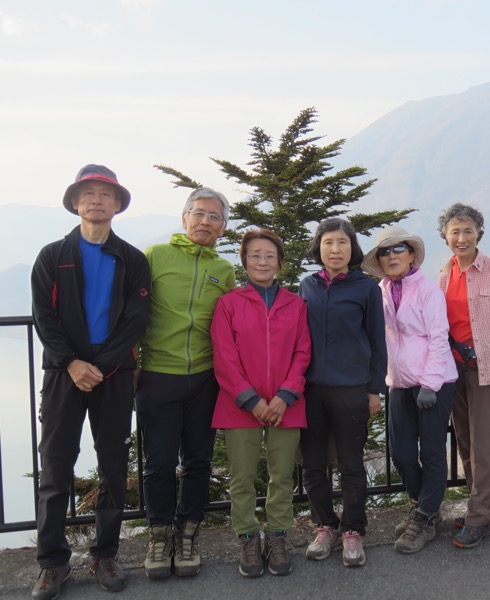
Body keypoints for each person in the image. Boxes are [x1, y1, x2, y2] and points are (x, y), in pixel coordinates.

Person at [30, 164, 150, 599]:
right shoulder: (52, 255)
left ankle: (104, 552)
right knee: (56, 466)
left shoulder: (132, 259)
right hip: (65, 375)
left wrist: (99, 364)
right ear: (76, 202)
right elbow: (44, 316)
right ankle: (52, 562)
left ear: (117, 205)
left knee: (114, 465)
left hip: (114, 375)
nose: (96, 200)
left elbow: (136, 319)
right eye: (88, 193)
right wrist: (72, 363)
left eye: (105, 193)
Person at [137, 188, 236, 579]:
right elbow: (133, 311)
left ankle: (188, 534)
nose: (205, 222)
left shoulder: (224, 270)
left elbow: (230, 327)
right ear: (183, 218)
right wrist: (131, 361)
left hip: (206, 379)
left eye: (215, 217)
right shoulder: (155, 257)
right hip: (158, 375)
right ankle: (160, 536)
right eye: (199, 213)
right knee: (158, 463)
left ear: (223, 228)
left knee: (198, 461)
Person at [210, 229, 311, 575]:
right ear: (244, 262)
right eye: (255, 255)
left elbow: (303, 354)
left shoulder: (296, 305)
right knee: (242, 476)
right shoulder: (228, 304)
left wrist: (285, 396)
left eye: (269, 255)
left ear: (280, 263)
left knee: (282, 474)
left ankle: (278, 536)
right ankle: (248, 537)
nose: (262, 261)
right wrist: (250, 399)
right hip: (239, 404)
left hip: (288, 403)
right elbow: (224, 358)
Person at [362, 226, 458, 554]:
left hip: (434, 382)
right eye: (385, 252)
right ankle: (423, 506)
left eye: (398, 249)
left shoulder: (428, 291)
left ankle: (425, 517)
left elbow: (438, 337)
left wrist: (430, 384)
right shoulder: (379, 291)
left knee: (431, 451)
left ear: (412, 254)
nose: (392, 256)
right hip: (399, 383)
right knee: (401, 452)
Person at [298, 218, 387, 568]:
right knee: (313, 465)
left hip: (352, 390)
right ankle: (324, 526)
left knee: (351, 464)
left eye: (342, 243)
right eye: (328, 243)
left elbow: (377, 343)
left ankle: (353, 530)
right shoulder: (308, 286)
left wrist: (374, 390)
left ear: (353, 249)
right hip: (310, 390)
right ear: (318, 248)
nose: (335, 249)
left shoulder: (366, 288)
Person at [436, 203, 490, 549]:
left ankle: (477, 518)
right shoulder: (443, 276)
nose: (461, 237)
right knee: (467, 443)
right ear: (445, 236)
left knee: (484, 446)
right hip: (454, 369)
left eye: (468, 230)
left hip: (488, 370)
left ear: (479, 234)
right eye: (455, 231)